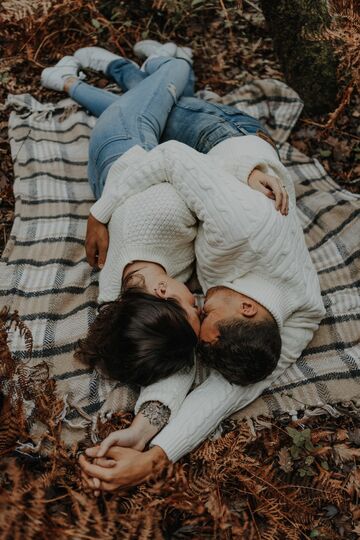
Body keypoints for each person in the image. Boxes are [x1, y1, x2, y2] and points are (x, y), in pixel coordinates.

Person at [51, 43, 325, 493]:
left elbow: (227, 393)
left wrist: (151, 449)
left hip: (206, 183)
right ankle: (161, 63)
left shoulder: (300, 317)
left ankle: (146, 73)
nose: (197, 302)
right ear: (250, 311)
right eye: (205, 314)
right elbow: (177, 159)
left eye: (196, 313)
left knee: (144, 103)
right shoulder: (249, 225)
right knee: (169, 93)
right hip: (223, 140)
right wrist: (251, 168)